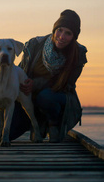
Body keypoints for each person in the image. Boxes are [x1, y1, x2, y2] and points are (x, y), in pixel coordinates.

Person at [9, 9, 88, 143]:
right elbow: (20, 71)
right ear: (54, 30)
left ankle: (52, 123)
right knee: (8, 134)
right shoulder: (35, 44)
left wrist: (34, 84)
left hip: (58, 96)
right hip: (29, 96)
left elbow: (65, 85)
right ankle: (37, 120)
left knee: (45, 97)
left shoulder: (78, 54)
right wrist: (22, 85)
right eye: (60, 30)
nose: (62, 36)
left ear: (74, 37)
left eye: (68, 33)